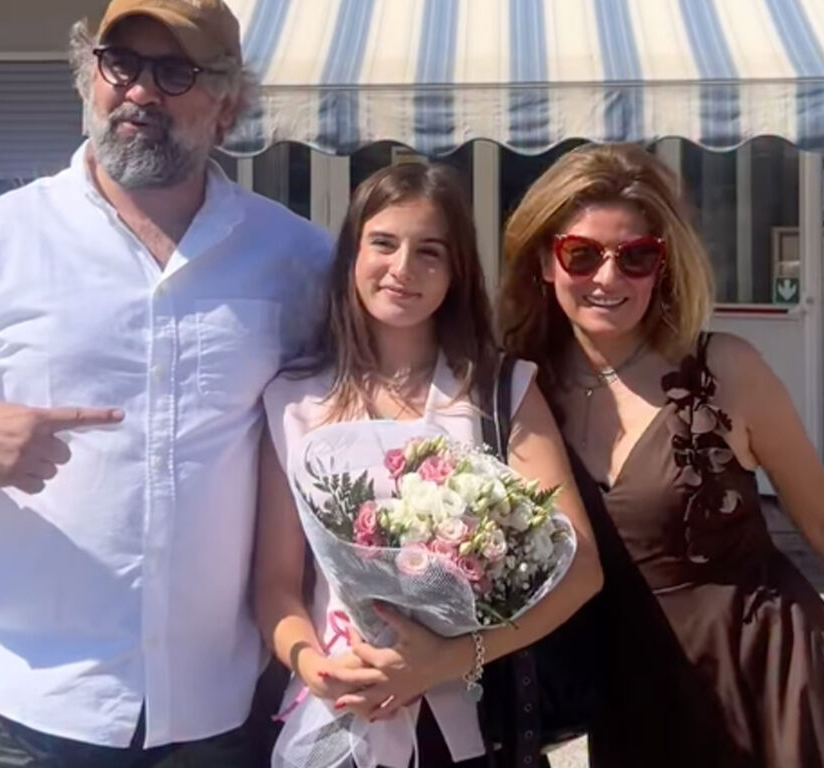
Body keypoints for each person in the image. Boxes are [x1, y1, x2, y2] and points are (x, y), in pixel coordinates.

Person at [0, 0, 331, 766]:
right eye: (120, 63)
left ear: (227, 106)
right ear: (88, 82)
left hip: (215, 711)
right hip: (20, 706)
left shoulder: (296, 259)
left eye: (175, 72)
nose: (140, 91)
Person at [499, 144, 824, 768]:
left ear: (663, 267)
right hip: (641, 709)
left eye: (635, 256)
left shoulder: (726, 371)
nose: (608, 278)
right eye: (582, 254)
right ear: (544, 263)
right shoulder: (518, 393)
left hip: (778, 689)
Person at [253, 161, 603, 768]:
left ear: (456, 271)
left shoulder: (500, 389)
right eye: (383, 243)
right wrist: (314, 665)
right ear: (352, 255)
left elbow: (581, 570)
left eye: (430, 252)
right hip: (344, 713)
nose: (403, 268)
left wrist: (444, 660)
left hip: (473, 726)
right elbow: (277, 585)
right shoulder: (294, 401)